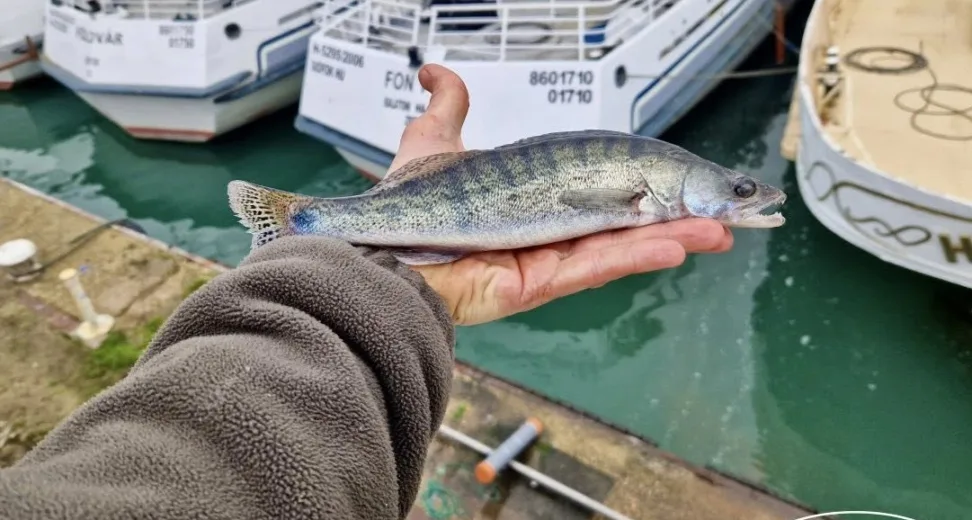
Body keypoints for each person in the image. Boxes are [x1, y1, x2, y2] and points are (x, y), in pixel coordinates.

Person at [0, 64, 732, 519]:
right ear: (676, 184)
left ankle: (301, 227)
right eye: (735, 190)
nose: (743, 198)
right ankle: (299, 222)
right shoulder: (651, 178)